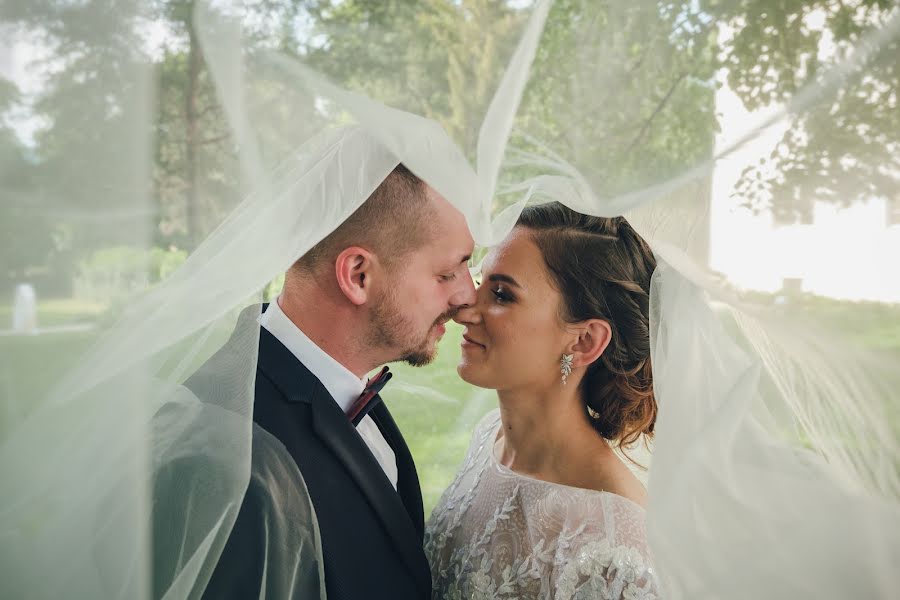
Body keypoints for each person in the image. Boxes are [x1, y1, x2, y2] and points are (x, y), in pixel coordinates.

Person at [179, 163, 477, 600]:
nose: (468, 296)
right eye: (447, 274)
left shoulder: (342, 381)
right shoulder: (226, 458)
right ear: (358, 275)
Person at [425, 202, 661, 599]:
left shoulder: (618, 545)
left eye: (501, 294)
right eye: (481, 284)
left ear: (584, 341)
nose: (465, 310)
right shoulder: (489, 440)